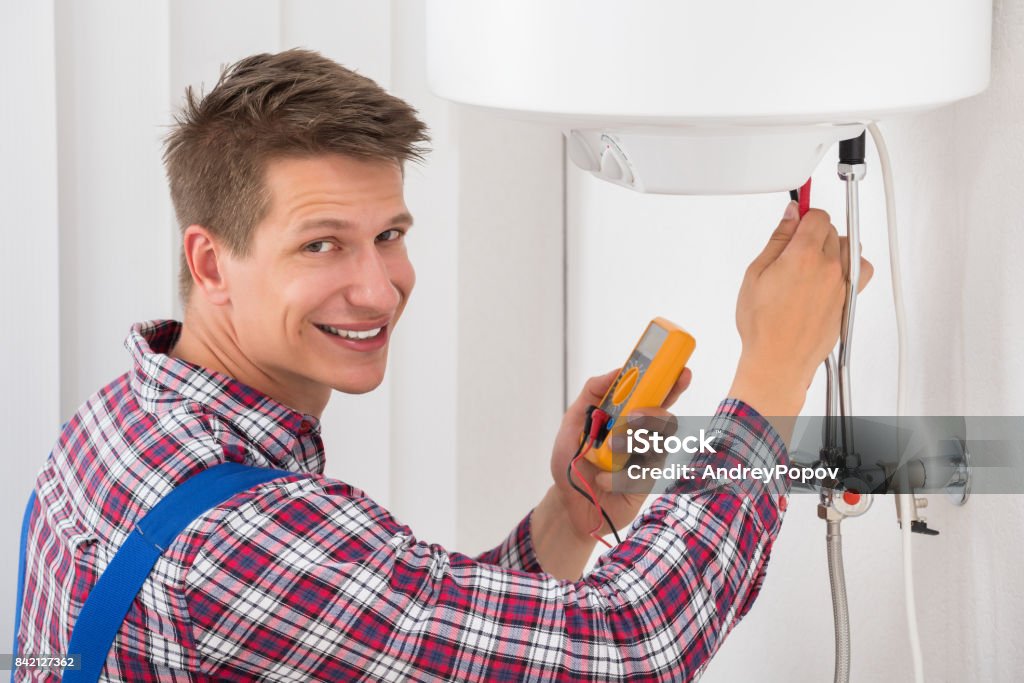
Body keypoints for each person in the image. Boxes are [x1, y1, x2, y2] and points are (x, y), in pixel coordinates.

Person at [17, 49, 872, 681]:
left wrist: (568, 519)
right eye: (323, 244)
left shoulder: (124, 420)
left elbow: (398, 636)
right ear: (211, 264)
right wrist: (771, 375)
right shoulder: (239, 536)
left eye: (389, 235)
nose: (379, 289)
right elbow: (628, 649)